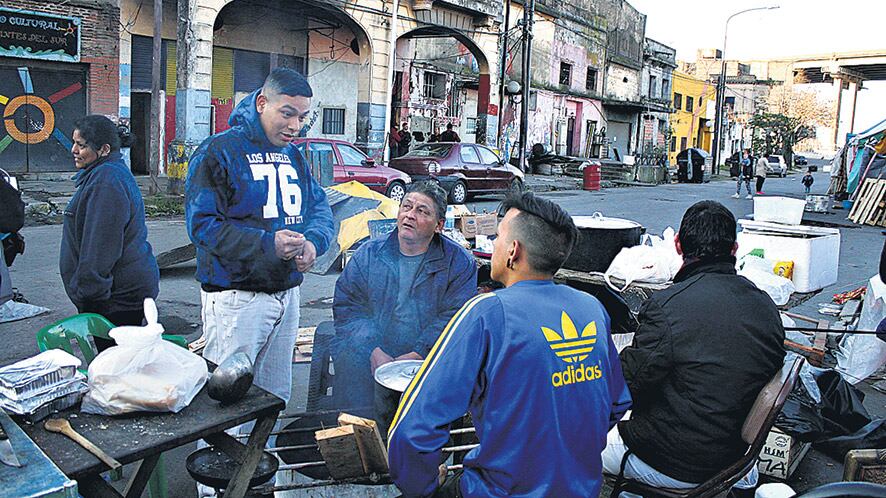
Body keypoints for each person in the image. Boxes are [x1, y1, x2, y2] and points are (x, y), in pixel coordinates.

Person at [388, 192, 631, 498]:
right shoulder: (592, 308)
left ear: (513, 251)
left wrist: (422, 486)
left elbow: (413, 430)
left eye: (499, 236)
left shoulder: (487, 312)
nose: (494, 244)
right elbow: (616, 403)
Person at [602, 200, 785, 491]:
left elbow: (625, 385)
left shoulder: (668, 306)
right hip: (735, 458)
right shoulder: (765, 305)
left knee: (569, 438)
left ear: (677, 245)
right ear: (734, 249)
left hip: (677, 462)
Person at [186, 67, 334, 406]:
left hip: (287, 295)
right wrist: (268, 244)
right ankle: (223, 445)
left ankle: (266, 444)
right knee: (228, 402)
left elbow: (320, 207)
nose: (295, 126)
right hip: (237, 298)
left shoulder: (293, 155)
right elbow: (202, 227)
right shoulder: (217, 151)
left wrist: (313, 242)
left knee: (274, 397)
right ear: (262, 103)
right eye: (287, 114)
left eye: (302, 117)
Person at [331, 181, 477, 414]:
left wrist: (418, 354)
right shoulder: (369, 254)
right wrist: (373, 350)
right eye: (406, 206)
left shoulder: (458, 262)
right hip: (376, 345)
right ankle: (356, 428)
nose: (410, 215)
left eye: (422, 211)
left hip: (427, 351)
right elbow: (348, 307)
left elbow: (455, 318)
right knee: (350, 359)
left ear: (439, 225)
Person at [60, 115, 159, 351]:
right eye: (74, 143)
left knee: (116, 364)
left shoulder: (106, 181)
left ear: (104, 149)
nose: (74, 150)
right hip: (116, 294)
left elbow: (100, 247)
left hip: (116, 299)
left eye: (81, 145)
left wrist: (89, 297)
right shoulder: (103, 173)